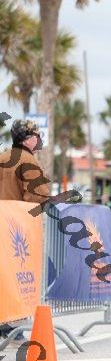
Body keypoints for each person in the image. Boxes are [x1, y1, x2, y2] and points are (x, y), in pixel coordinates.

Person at [0, 119, 49, 340]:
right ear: (28, 139)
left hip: (3, 227)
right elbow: (38, 198)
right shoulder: (28, 161)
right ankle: (10, 327)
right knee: (17, 278)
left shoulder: (3, 157)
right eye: (37, 136)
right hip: (17, 231)